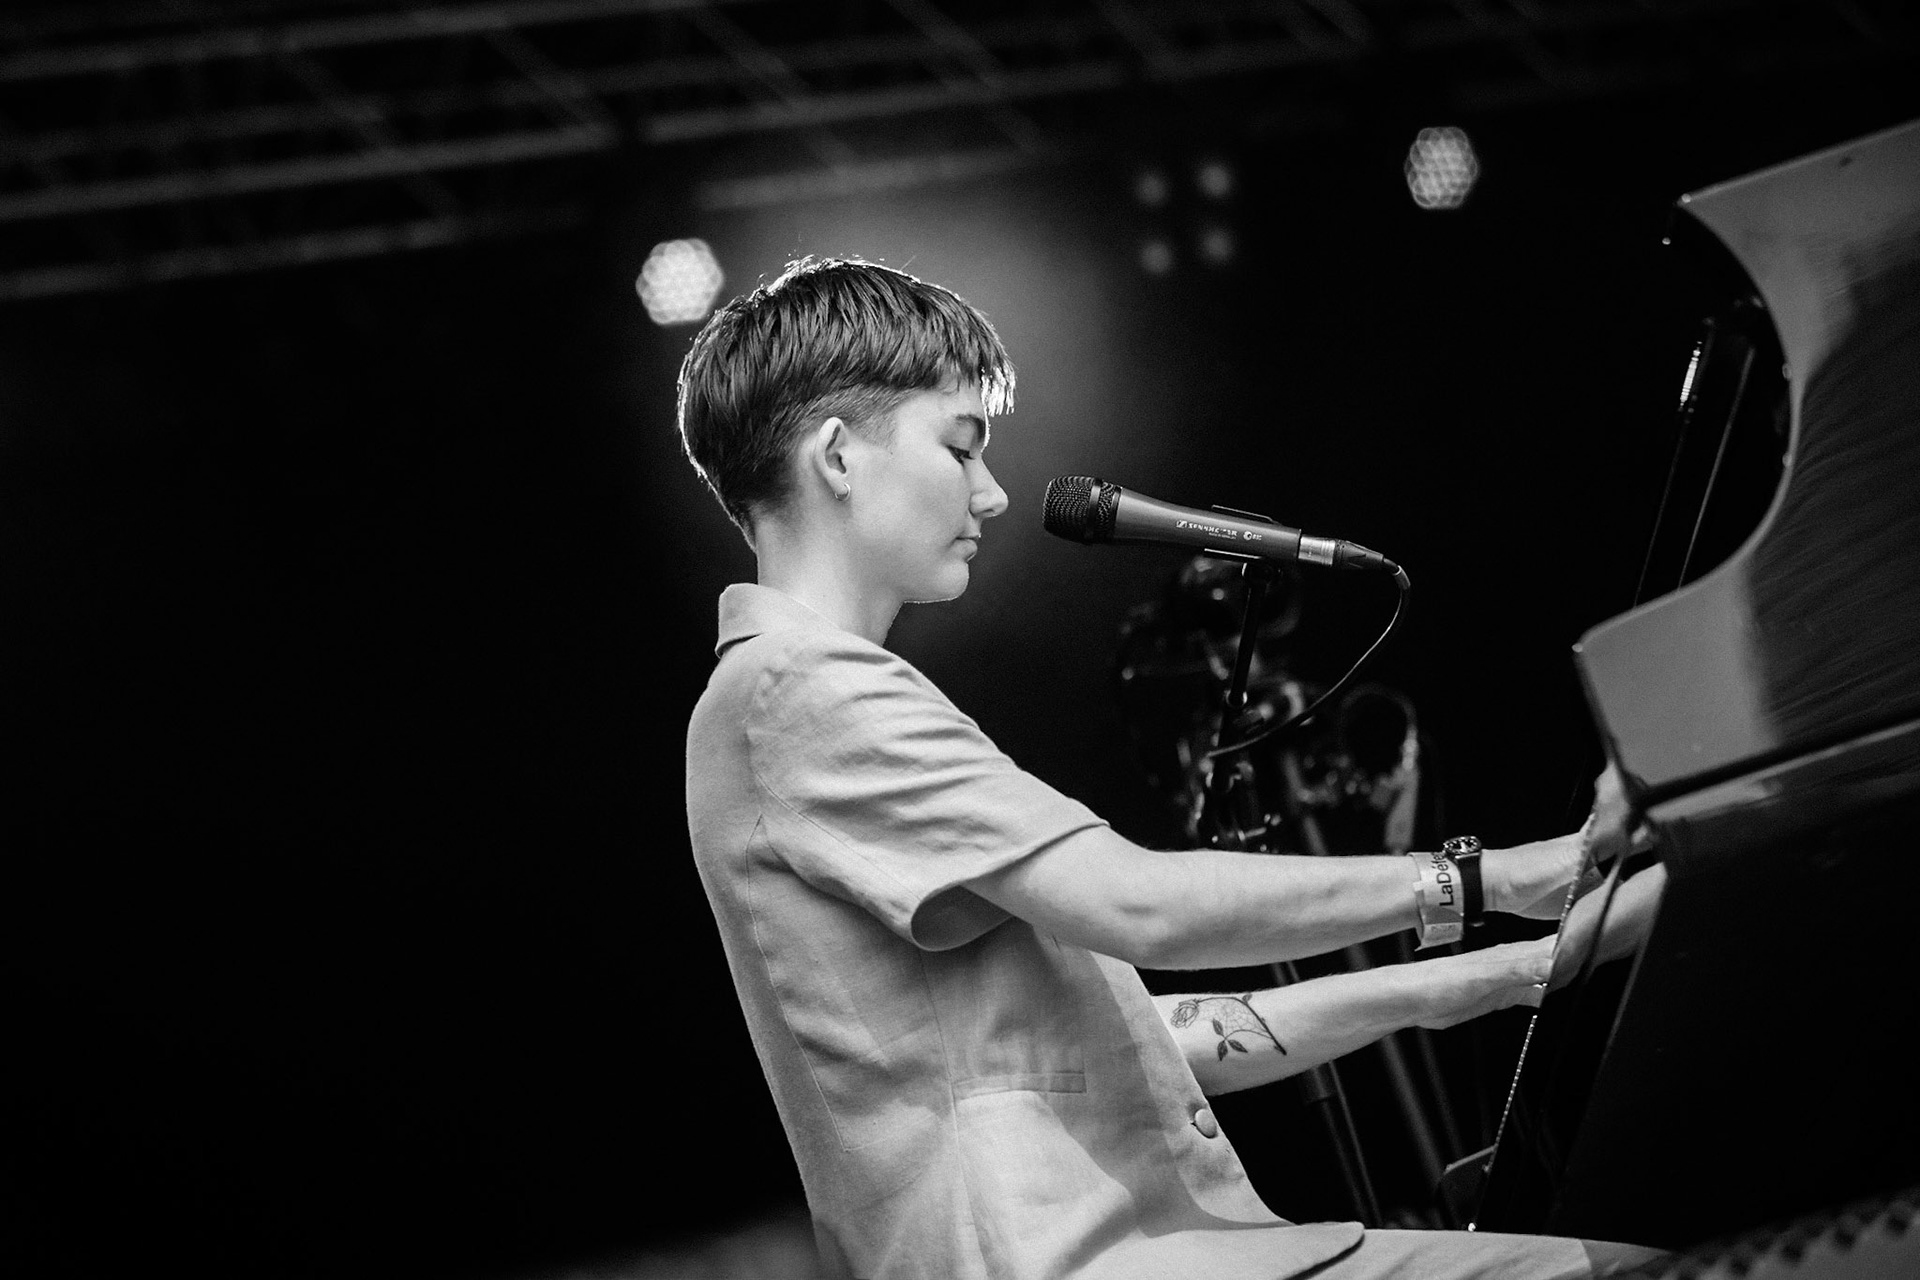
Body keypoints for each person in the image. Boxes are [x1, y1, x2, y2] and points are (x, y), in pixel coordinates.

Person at [676, 257, 1664, 1279]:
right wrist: (1490, 880)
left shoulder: (789, 702)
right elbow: (1140, 903)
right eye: (960, 445)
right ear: (838, 456)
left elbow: (1149, 1034)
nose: (996, 490)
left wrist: (1513, 972)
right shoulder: (796, 692)